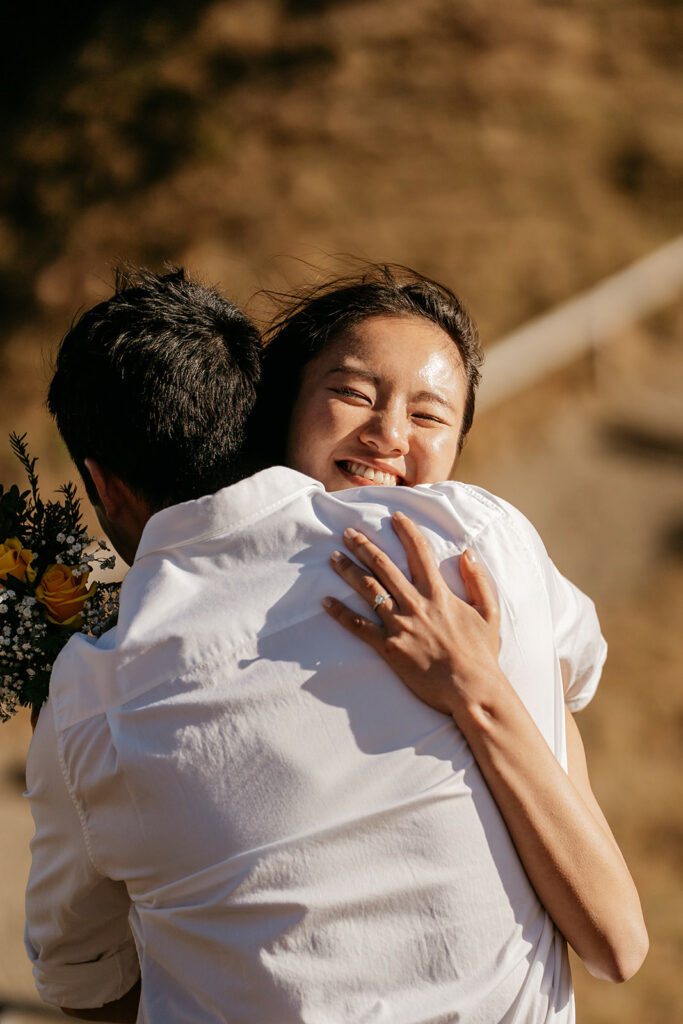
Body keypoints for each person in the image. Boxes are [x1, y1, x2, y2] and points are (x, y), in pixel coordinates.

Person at [24, 267, 646, 1024]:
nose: (389, 435)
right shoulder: (477, 536)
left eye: (429, 414)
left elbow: (82, 978)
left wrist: (481, 688)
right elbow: (571, 671)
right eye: (353, 393)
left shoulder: (94, 692)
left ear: (103, 486)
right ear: (274, 410)